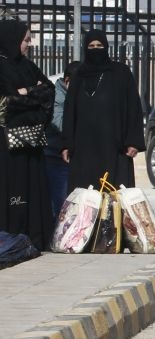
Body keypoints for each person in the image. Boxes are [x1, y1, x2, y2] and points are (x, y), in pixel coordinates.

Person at [62, 30, 144, 190]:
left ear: (106, 47)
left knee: (113, 193)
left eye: (99, 45)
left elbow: (133, 108)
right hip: (83, 148)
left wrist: (133, 141)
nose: (95, 49)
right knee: (85, 194)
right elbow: (70, 111)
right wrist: (66, 144)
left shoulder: (120, 73)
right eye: (91, 46)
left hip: (114, 146)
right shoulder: (79, 75)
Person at [0, 19, 55, 251]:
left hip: (31, 142)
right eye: (25, 40)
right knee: (12, 193)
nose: (28, 44)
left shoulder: (28, 66)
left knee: (33, 191)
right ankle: (11, 239)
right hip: (6, 147)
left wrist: (26, 93)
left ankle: (33, 238)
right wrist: (31, 96)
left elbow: (49, 91)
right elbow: (5, 104)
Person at [47, 61, 77, 216]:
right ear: (67, 81)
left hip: (70, 157)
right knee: (60, 206)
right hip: (55, 157)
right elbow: (59, 123)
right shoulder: (57, 96)